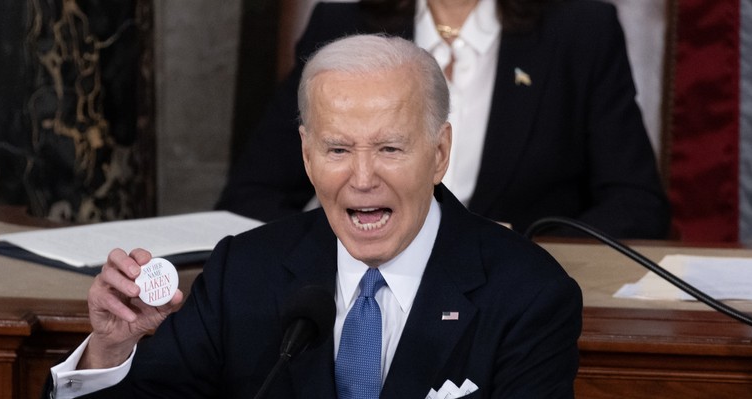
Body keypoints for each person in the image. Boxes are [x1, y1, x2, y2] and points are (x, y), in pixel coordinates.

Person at [42, 34, 582, 399]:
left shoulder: (525, 293)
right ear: (306, 153)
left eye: (390, 149)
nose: (362, 178)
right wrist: (107, 351)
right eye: (338, 149)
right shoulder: (248, 273)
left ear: (439, 153)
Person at [217, 0, 671, 239]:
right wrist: (351, 239)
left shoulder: (581, 32)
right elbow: (252, 194)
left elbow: (637, 206)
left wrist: (519, 242)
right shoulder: (342, 24)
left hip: (512, 300)